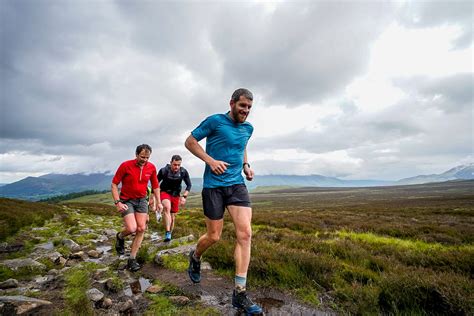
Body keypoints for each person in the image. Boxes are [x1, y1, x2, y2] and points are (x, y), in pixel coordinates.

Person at [184, 88, 262, 314]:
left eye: (249, 108)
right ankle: (196, 255)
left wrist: (246, 165)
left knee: (245, 233)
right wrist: (210, 160)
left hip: (237, 185)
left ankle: (240, 293)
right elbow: (190, 141)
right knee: (214, 236)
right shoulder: (215, 121)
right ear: (232, 103)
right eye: (242, 106)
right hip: (213, 187)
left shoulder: (249, 128)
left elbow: (243, 145)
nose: (245, 111)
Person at [111, 144, 163, 272]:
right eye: (142, 157)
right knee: (132, 228)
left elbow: (156, 186)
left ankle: (132, 259)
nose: (144, 160)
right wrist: (117, 202)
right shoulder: (125, 165)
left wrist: (158, 202)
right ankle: (120, 236)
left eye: (147, 157)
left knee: (141, 228)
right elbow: (114, 184)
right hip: (127, 200)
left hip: (142, 201)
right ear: (136, 154)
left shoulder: (151, 167)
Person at [157, 155, 192, 242]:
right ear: (171, 163)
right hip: (164, 192)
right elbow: (155, 183)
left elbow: (189, 185)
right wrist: (154, 199)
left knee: (172, 217)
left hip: (176, 194)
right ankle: (167, 232)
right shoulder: (163, 171)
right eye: (175, 164)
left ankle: (169, 235)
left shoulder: (183, 171)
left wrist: (184, 196)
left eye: (178, 165)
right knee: (166, 207)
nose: (176, 167)